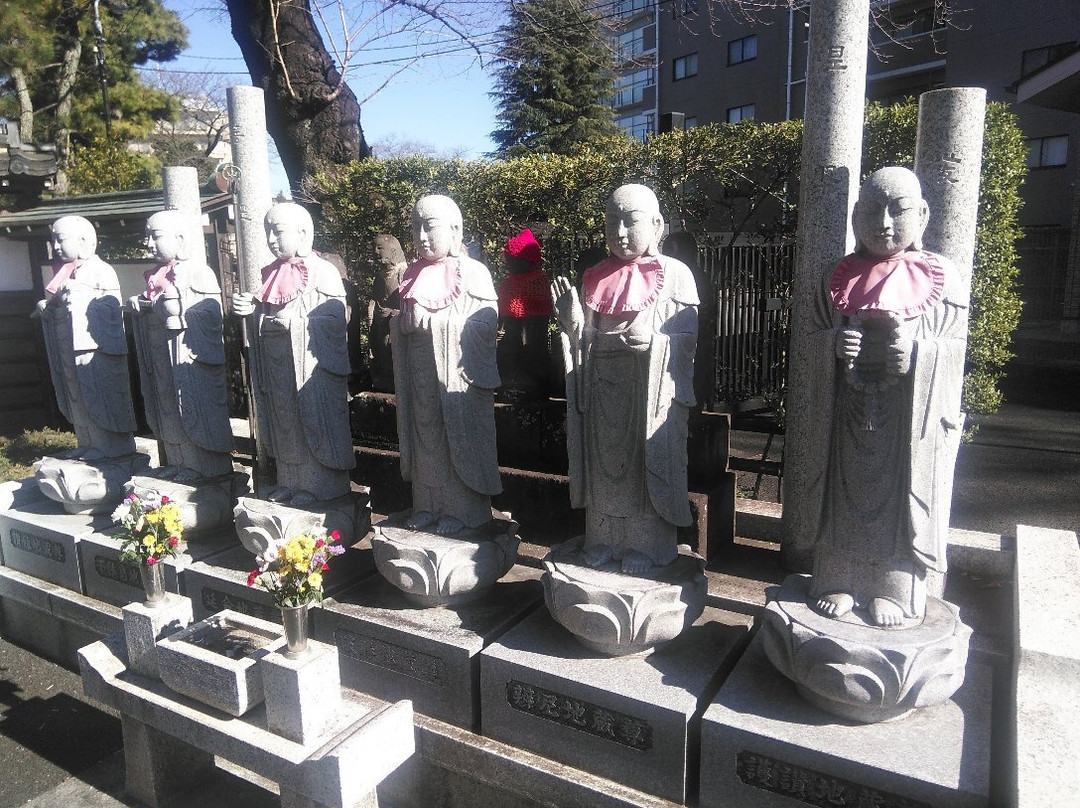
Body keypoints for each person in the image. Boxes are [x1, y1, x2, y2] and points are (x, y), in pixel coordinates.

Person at [806, 166, 967, 627]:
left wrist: (918, 352)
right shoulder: (833, 278)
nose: (886, 222)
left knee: (897, 499)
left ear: (923, 215)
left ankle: (892, 588)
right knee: (842, 490)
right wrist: (832, 347)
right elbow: (812, 341)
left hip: (906, 422)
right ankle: (838, 576)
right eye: (873, 210)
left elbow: (954, 350)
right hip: (846, 414)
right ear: (856, 217)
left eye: (898, 210)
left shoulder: (943, 279)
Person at [551, 184, 699, 575]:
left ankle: (645, 544)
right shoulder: (595, 276)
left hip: (646, 391)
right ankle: (603, 539)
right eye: (611, 221)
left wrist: (656, 342)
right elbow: (583, 341)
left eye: (629, 221)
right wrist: (572, 324)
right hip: (600, 385)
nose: (619, 231)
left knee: (640, 466)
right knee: (604, 467)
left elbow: (687, 339)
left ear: (655, 224)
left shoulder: (676, 275)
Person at [391, 194, 501, 535]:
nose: (421, 236)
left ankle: (460, 508)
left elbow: (486, 325)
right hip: (420, 373)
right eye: (415, 228)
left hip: (456, 379)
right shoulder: (411, 273)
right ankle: (428, 504)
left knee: (455, 437)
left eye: (429, 227)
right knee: (426, 438)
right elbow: (403, 321)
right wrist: (402, 325)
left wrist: (437, 325)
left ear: (455, 229)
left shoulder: (473, 272)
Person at [231, 202, 354, 505]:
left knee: (308, 418)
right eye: (268, 232)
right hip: (278, 363)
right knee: (282, 420)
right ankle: (289, 479)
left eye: (278, 231)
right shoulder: (270, 275)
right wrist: (253, 309)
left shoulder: (322, 272)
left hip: (309, 367)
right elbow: (265, 309)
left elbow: (335, 320)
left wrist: (295, 323)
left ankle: (318, 484)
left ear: (302, 233)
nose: (271, 239)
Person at [129, 209, 233, 481]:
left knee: (189, 406)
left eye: (156, 237)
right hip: (161, 354)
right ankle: (176, 461)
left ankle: (201, 465)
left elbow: (211, 314)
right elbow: (155, 308)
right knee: (166, 407)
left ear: (181, 239)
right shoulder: (155, 277)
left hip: (188, 358)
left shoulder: (199, 272)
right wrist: (141, 307)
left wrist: (179, 310)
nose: (149, 244)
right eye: (148, 237)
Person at [36, 215, 137, 460]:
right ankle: (87, 441)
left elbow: (110, 307)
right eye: (53, 241)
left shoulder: (101, 271)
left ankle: (108, 446)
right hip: (68, 347)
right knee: (76, 396)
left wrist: (80, 295)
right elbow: (57, 308)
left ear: (84, 241)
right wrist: (48, 309)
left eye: (60, 240)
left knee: (97, 394)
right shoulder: (62, 274)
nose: (55, 247)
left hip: (94, 350)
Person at [496, 228, 554, 400]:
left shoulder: (538, 281)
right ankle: (509, 384)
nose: (511, 263)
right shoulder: (508, 283)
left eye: (515, 259)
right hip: (511, 330)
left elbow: (540, 308)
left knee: (535, 353)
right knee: (509, 353)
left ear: (528, 260)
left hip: (533, 328)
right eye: (510, 259)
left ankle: (536, 386)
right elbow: (503, 307)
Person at [367, 234, 406, 393]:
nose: (376, 252)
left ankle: (397, 377)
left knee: (394, 350)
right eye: (374, 248)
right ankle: (384, 375)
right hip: (380, 323)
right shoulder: (379, 277)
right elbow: (375, 298)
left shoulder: (403, 273)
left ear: (393, 250)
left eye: (380, 248)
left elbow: (407, 301)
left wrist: (395, 312)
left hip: (396, 322)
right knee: (381, 350)